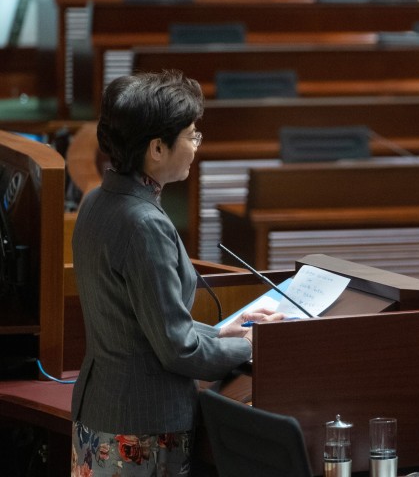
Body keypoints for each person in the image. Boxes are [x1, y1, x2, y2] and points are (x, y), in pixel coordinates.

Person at [71, 70, 282, 477]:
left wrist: (222, 333)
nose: (196, 144)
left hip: (102, 413)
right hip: (141, 428)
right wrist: (252, 347)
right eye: (191, 134)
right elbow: (176, 350)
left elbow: (144, 323)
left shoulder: (97, 202)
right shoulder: (143, 223)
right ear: (156, 148)